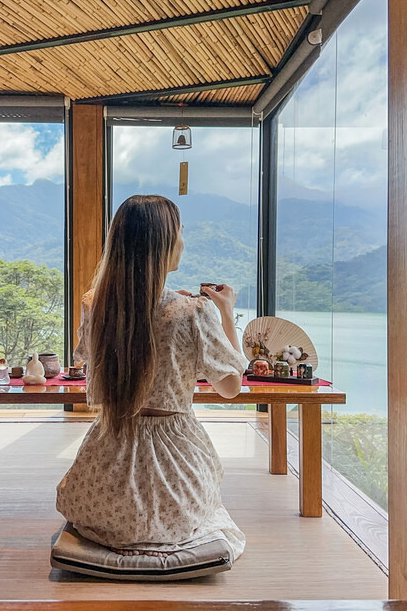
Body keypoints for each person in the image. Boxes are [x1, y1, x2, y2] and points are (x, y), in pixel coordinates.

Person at [55, 194, 249, 560]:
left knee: (98, 510)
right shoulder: (193, 311)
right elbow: (230, 388)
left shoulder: (93, 304)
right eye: (179, 233)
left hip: (106, 464)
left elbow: (85, 359)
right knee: (201, 509)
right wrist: (225, 313)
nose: (183, 242)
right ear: (163, 244)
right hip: (175, 463)